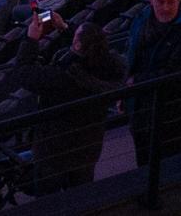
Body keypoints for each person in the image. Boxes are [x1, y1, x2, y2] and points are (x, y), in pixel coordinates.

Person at [11, 13, 125, 193]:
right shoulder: (108, 68)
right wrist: (65, 28)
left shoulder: (63, 78)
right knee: (81, 194)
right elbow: (90, 52)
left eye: (74, 37)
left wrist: (31, 39)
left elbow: (23, 73)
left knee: (50, 198)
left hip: (54, 151)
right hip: (88, 147)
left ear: (77, 44)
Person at [124, 0, 181, 166]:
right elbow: (132, 56)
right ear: (151, 0)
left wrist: (136, 82)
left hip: (173, 116)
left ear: (179, 1)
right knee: (143, 165)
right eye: (160, 2)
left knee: (171, 167)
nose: (165, 8)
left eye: (170, 2)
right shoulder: (141, 20)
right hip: (142, 113)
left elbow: (178, 75)